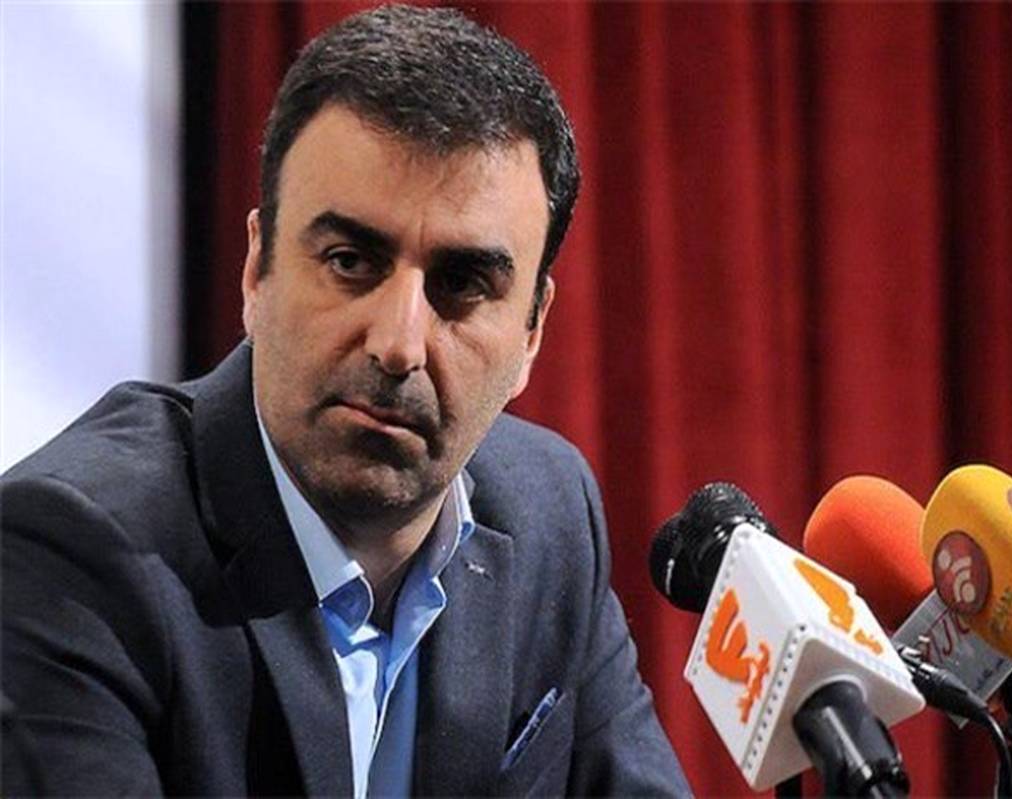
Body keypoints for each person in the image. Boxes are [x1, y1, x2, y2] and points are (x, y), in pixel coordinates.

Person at [0, 5, 690, 796]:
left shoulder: (546, 515)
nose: (398, 343)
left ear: (533, 330)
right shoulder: (72, 552)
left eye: (462, 284)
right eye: (351, 261)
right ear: (257, 270)